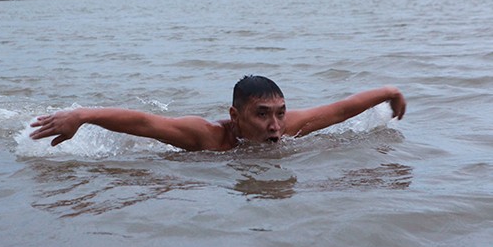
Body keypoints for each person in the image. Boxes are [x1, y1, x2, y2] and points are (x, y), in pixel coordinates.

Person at [29, 75, 406, 152]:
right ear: (235, 115)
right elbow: (145, 123)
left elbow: (340, 110)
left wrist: (387, 92)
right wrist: (81, 116)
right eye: (262, 115)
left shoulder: (287, 128)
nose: (275, 126)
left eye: (280, 113)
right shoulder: (206, 136)